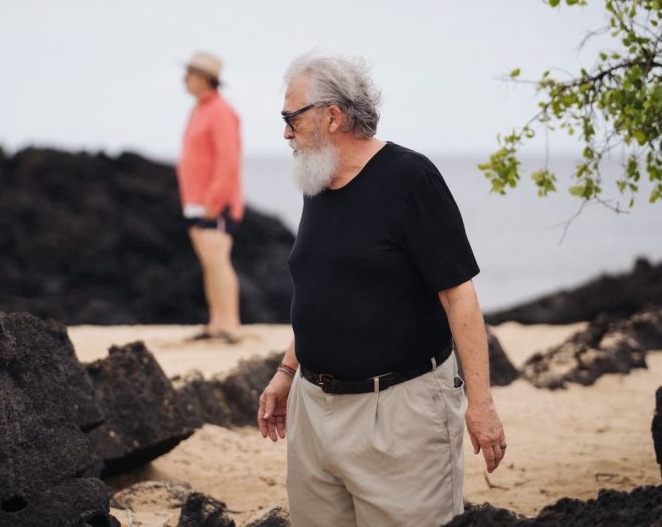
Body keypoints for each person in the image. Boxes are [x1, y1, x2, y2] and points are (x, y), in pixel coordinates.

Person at [257, 52, 507, 526]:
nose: (286, 132)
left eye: (291, 119)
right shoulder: (318, 182)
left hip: (400, 415)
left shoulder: (411, 179)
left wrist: (482, 405)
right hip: (312, 411)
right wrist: (287, 370)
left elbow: (459, 296)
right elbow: (328, 292)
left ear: (332, 116)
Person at [177, 50, 244, 343]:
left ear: (205, 79)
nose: (185, 79)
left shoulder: (220, 111)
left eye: (190, 74)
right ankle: (216, 323)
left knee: (218, 259)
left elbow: (228, 160)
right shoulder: (200, 108)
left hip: (213, 204)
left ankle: (230, 325)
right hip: (194, 201)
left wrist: (215, 201)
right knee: (208, 261)